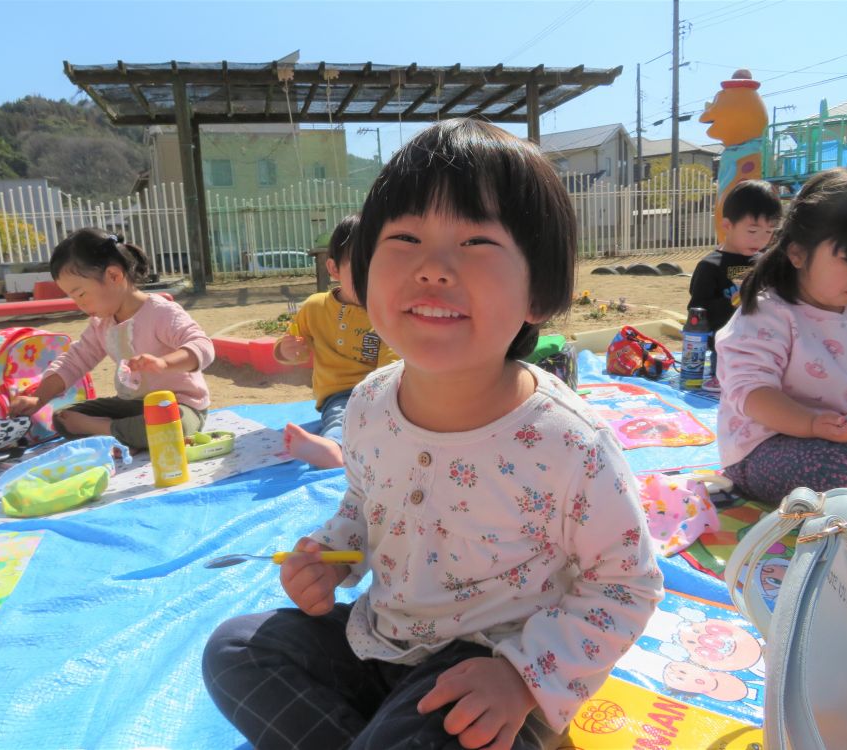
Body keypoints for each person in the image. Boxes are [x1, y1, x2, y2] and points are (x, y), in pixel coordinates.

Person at [202, 118, 663, 750]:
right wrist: (332, 556)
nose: (432, 268)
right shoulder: (366, 404)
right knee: (234, 649)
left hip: (488, 677)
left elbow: (625, 581)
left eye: (476, 242)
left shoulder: (567, 443)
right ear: (361, 274)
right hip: (382, 642)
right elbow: (365, 506)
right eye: (406, 237)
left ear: (540, 290)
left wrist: (524, 679)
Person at [716, 168, 847, 503]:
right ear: (798, 253)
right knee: (844, 468)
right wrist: (812, 424)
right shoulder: (769, 313)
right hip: (768, 450)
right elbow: (752, 391)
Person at [9, 228, 214, 450]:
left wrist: (165, 363)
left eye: (81, 294)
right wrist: (38, 399)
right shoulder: (102, 324)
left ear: (114, 276)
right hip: (133, 407)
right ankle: (125, 434)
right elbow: (74, 360)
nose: (79, 305)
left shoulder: (161, 313)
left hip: (178, 406)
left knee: (171, 424)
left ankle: (109, 430)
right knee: (63, 418)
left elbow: (202, 346)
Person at [275, 214, 398, 469]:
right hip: (341, 394)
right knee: (343, 416)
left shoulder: (388, 309)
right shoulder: (315, 307)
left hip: (386, 389)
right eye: (360, 270)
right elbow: (295, 344)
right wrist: (289, 350)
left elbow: (392, 364)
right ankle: (334, 448)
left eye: (380, 268)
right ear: (334, 270)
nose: (370, 280)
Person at [687, 179, 782, 391]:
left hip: (764, 346)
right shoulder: (711, 266)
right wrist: (732, 301)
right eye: (752, 231)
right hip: (726, 348)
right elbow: (698, 312)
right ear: (727, 225)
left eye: (769, 232)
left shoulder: (765, 262)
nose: (760, 240)